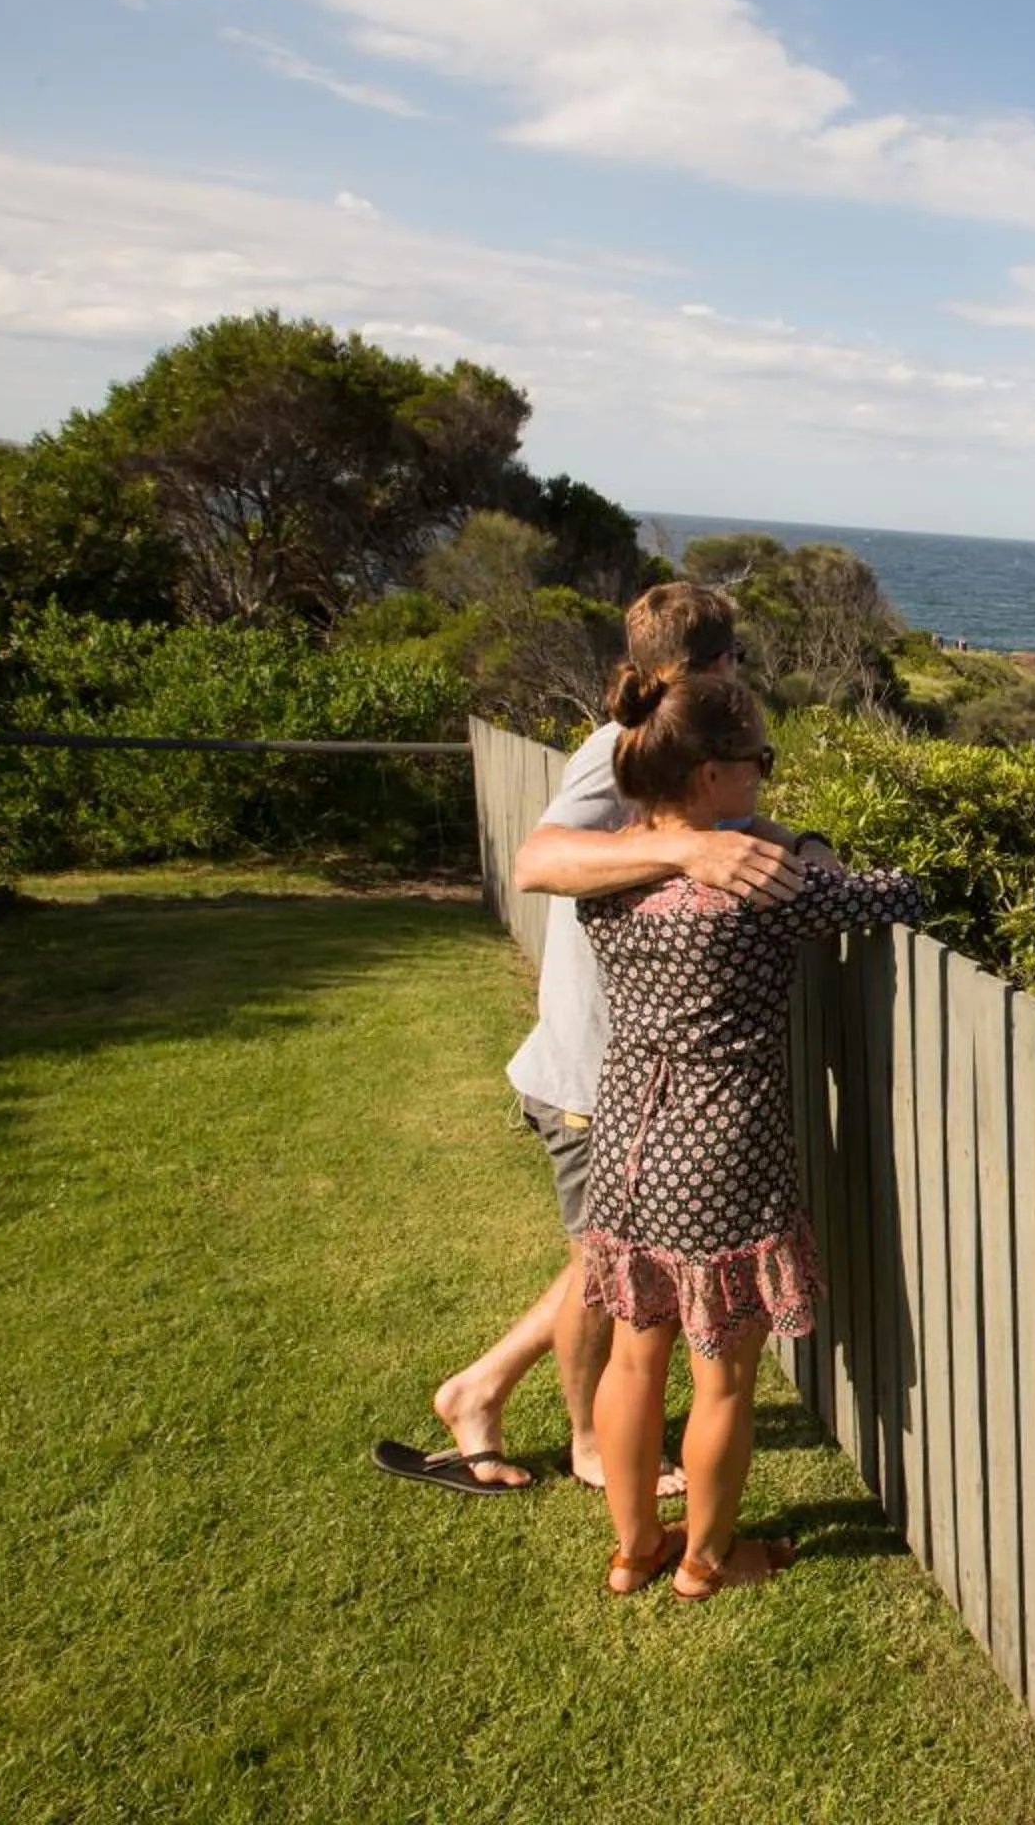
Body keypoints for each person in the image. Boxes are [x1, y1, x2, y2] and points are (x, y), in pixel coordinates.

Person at [374, 581, 802, 1496]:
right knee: (605, 1273)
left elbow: (704, 828)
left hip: (625, 1073)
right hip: (592, 1077)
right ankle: (586, 1442)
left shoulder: (662, 750)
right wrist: (690, 853)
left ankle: (479, 1390)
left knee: (599, 1265)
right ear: (719, 666)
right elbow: (540, 860)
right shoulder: (623, 747)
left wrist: (777, 835)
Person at [574, 669, 922, 1595]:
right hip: (721, 1142)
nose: (766, 778)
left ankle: (635, 1546)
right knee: (723, 1372)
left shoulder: (610, 869)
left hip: (626, 1137)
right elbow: (894, 895)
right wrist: (805, 845)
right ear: (709, 776)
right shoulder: (758, 885)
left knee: (636, 1350)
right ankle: (708, 1560)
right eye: (759, 762)